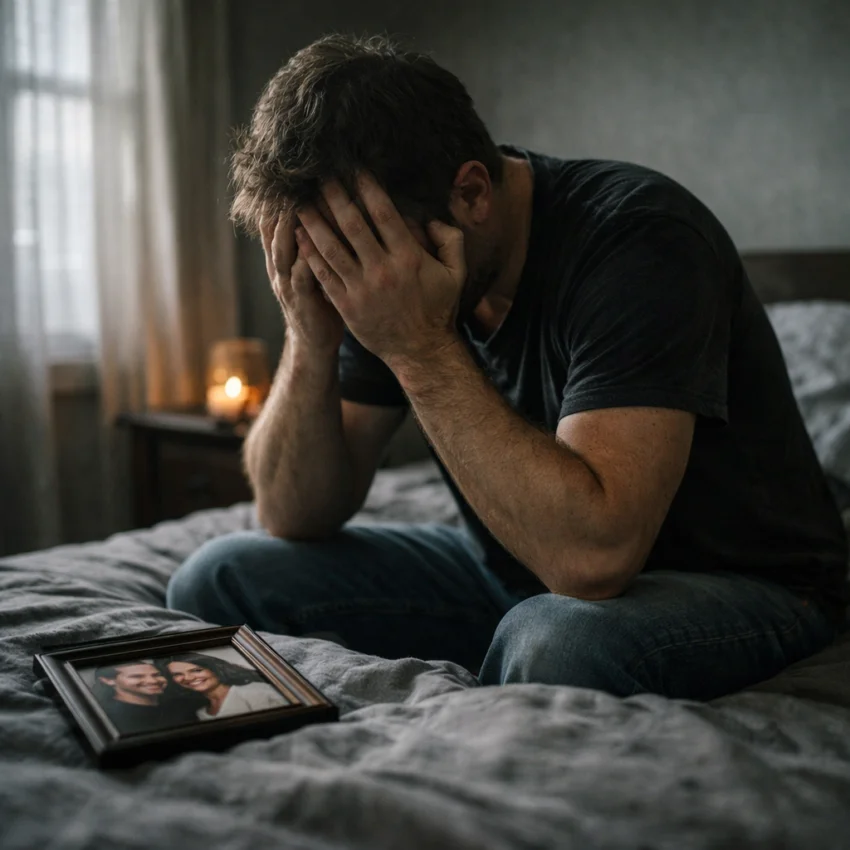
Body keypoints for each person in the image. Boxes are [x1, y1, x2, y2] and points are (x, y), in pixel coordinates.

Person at [166, 34, 849, 701]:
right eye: (325, 257)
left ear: (471, 193)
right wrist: (309, 337)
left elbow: (594, 559)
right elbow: (292, 513)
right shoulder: (376, 267)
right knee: (219, 576)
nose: (348, 281)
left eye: (357, 257)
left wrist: (418, 348)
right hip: (520, 569)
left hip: (751, 586)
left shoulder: (642, 238)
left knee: (555, 642)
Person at [165, 653, 289, 720]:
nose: (188, 678)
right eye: (177, 674)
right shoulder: (201, 712)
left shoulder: (255, 691)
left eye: (197, 670)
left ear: (215, 669)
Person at [94, 661, 198, 734]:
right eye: (137, 676)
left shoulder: (181, 704)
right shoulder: (106, 716)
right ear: (108, 680)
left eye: (156, 675)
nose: (153, 681)